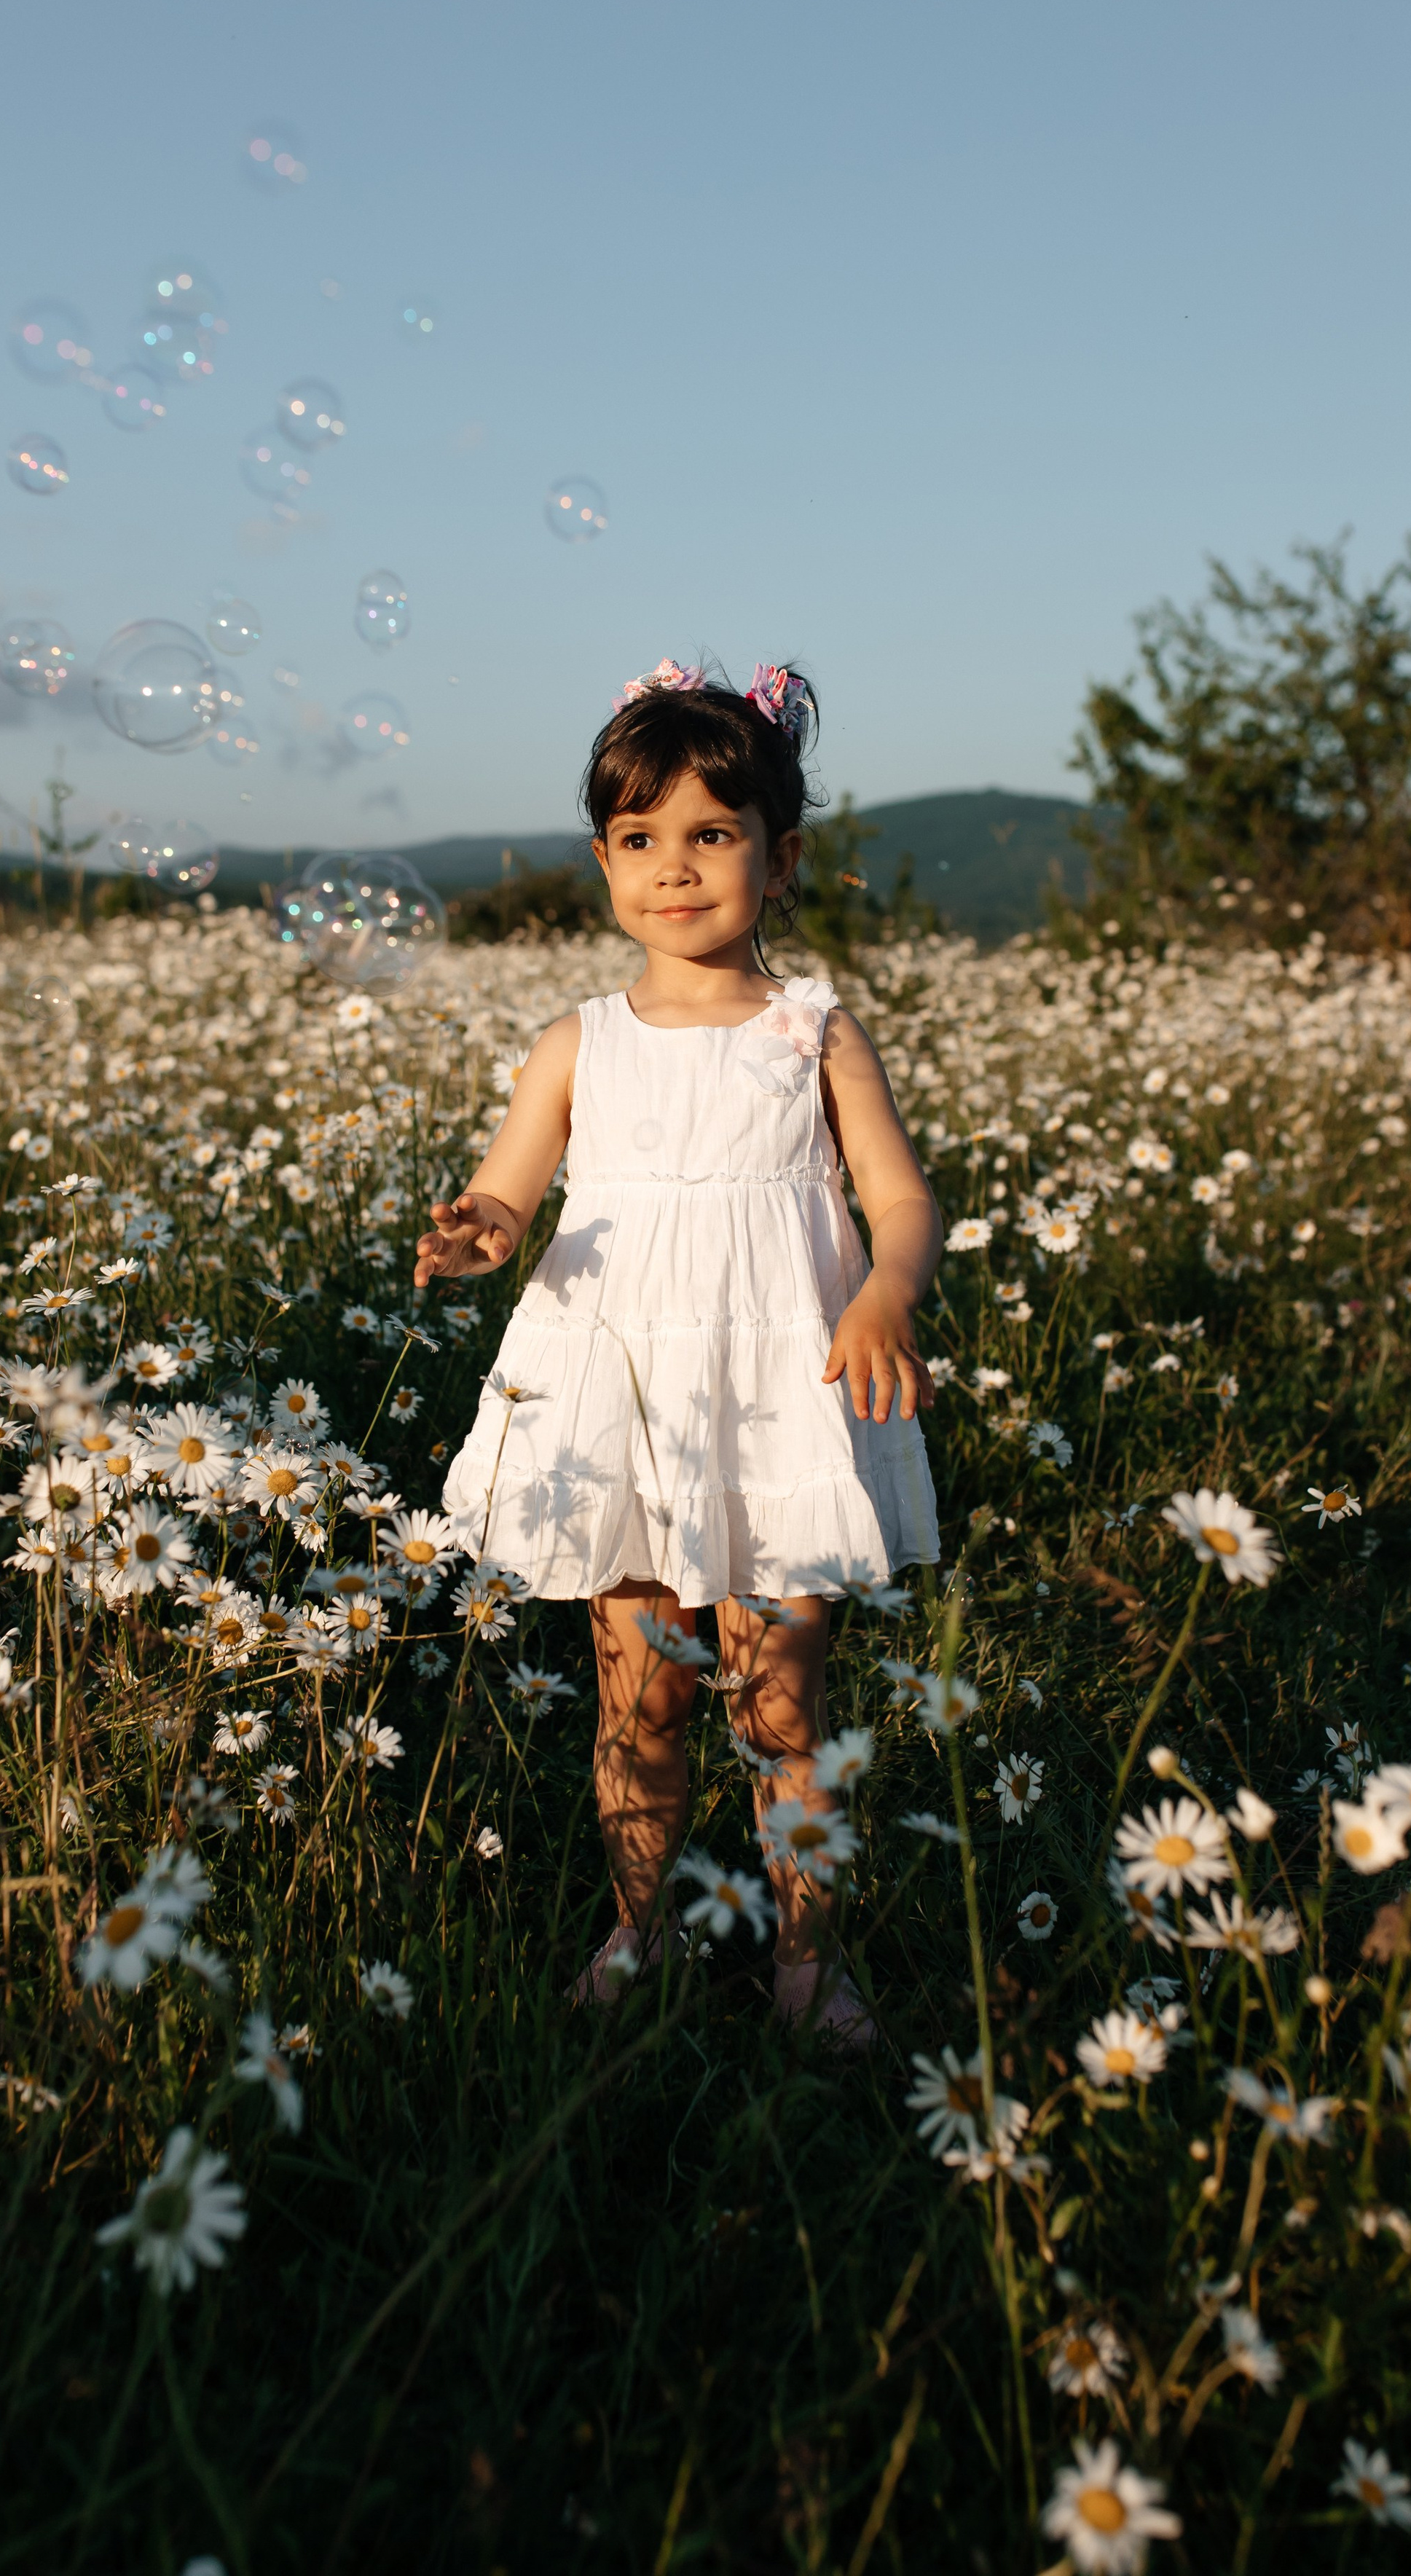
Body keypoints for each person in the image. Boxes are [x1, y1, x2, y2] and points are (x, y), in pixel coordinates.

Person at [415, 659, 943, 2048]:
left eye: (714, 834)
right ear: (603, 861)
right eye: (641, 839)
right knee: (641, 1693)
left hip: (780, 1400)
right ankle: (637, 1927)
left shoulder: (814, 1031)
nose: (676, 869)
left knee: (780, 1699)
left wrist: (886, 1290)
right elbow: (510, 1194)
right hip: (628, 1400)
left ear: (782, 858)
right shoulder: (576, 1042)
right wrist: (475, 1234)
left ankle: (807, 1961)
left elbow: (898, 1196)